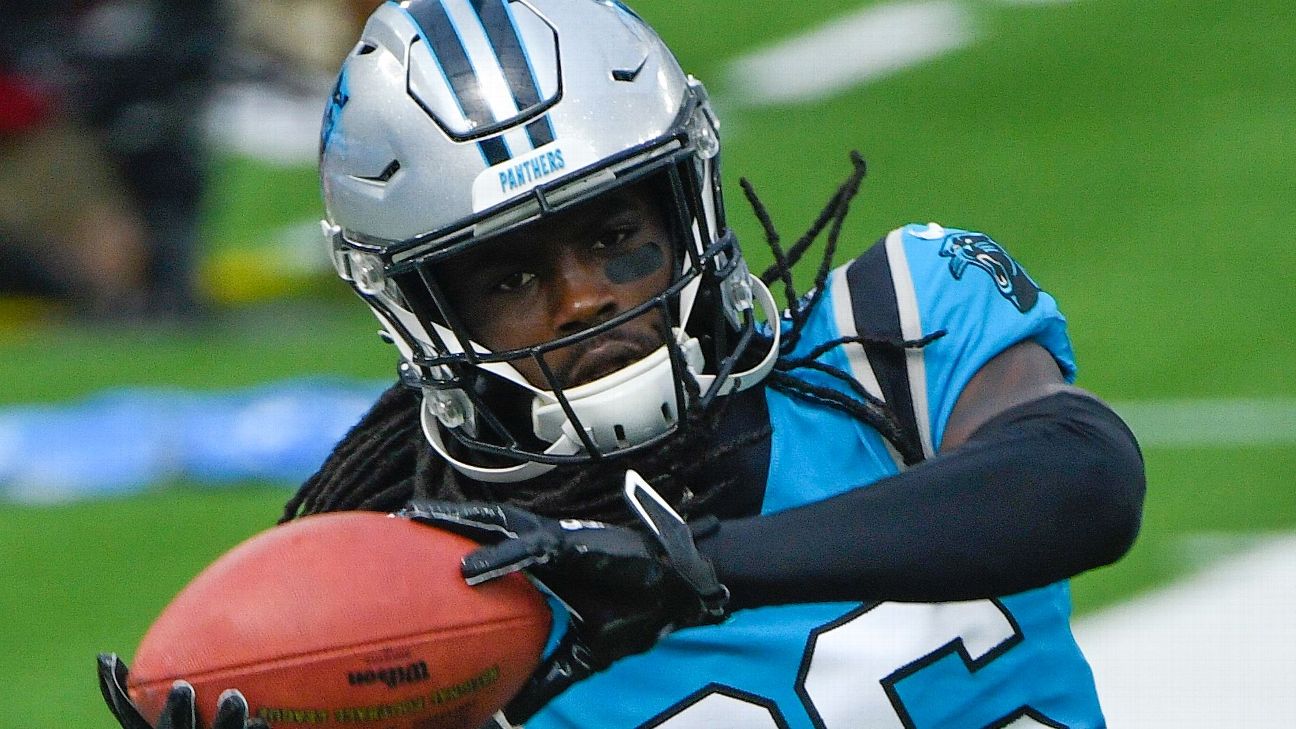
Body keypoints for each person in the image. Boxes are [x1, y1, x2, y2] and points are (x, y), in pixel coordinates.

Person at [98, 1, 1145, 727]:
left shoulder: (885, 331)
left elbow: (1082, 482)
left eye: (615, 238)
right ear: (419, 312)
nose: (585, 295)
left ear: (689, 207)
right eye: (505, 280)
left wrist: (692, 569)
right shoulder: (446, 585)